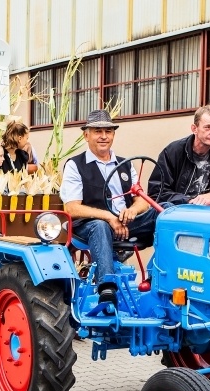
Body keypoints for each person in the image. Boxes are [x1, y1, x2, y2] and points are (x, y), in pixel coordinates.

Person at [61, 110, 168, 304]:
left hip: (127, 223)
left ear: (113, 135)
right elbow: (72, 208)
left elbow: (143, 198)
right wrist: (109, 217)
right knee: (99, 226)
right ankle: (107, 287)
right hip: (88, 226)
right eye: (97, 131)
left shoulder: (125, 165)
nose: (103, 136)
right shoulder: (75, 165)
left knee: (167, 212)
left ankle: (156, 274)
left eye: (108, 131)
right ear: (86, 135)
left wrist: (133, 211)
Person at [147, 105, 210, 205]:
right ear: (194, 128)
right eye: (208, 127)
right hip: (178, 211)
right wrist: (188, 200)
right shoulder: (173, 151)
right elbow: (157, 191)